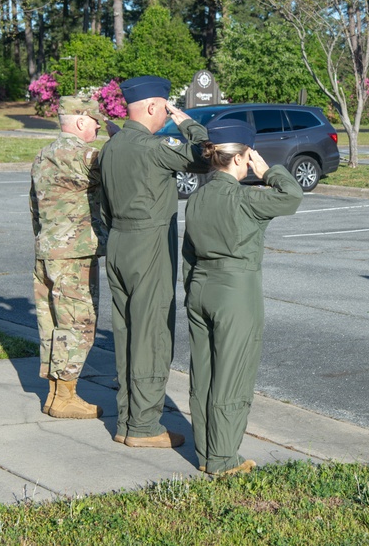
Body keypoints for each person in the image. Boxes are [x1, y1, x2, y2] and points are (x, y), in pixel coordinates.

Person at [182, 119, 303, 475]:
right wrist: (269, 172)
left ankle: (206, 452)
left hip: (200, 285)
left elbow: (188, 252)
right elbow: (292, 196)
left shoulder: (198, 195)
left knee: (203, 374)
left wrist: (192, 289)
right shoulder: (247, 198)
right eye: (249, 155)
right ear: (239, 158)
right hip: (236, 290)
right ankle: (222, 459)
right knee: (232, 375)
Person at [98, 75, 208, 448]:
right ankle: (144, 426)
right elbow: (208, 154)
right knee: (152, 334)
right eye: (164, 106)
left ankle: (128, 420)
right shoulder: (154, 148)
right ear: (151, 106)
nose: (166, 113)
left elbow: (103, 207)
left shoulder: (112, 147)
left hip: (118, 243)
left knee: (127, 334)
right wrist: (186, 121)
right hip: (149, 246)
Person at [30, 93, 114, 419]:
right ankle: (65, 396)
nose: (98, 129)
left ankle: (55, 395)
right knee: (78, 323)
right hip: (74, 255)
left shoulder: (42, 156)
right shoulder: (84, 155)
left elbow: (34, 207)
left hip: (46, 249)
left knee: (51, 324)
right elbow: (115, 180)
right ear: (81, 121)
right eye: (95, 122)